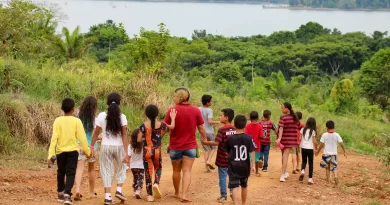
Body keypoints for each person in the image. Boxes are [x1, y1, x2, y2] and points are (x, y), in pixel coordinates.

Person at [164, 87, 208, 203]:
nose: (174, 98)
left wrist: (157, 139)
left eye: (174, 96)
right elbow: (201, 127)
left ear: (180, 97)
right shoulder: (195, 110)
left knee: (176, 171)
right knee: (187, 170)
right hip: (191, 146)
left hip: (175, 146)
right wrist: (205, 138)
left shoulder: (172, 110)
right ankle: (184, 194)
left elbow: (164, 128)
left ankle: (177, 193)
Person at [47, 98, 91, 205]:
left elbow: (54, 139)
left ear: (62, 109)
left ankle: (61, 193)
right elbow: (83, 138)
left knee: (61, 172)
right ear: (73, 109)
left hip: (60, 151)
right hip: (72, 152)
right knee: (71, 172)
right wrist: (88, 151)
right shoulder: (77, 121)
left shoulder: (58, 120)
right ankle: (67, 194)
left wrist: (50, 155)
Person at [90, 92, 130, 205]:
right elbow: (124, 135)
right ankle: (119, 190)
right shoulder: (122, 117)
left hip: (105, 146)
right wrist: (126, 153)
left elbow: (95, 133)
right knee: (122, 167)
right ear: (119, 103)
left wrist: (92, 146)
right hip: (119, 147)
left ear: (107, 102)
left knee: (106, 170)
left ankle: (107, 196)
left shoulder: (102, 116)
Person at [139, 104, 177, 202]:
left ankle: (149, 195)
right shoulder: (162, 124)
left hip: (147, 150)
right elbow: (171, 127)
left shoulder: (143, 126)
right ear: (157, 114)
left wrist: (147, 137)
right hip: (157, 151)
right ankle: (156, 183)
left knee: (148, 172)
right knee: (158, 168)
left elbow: (139, 139)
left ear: (146, 114)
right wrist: (173, 117)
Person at [202, 108, 236, 202]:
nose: (219, 117)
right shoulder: (235, 129)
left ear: (226, 117)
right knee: (232, 176)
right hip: (233, 158)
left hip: (222, 158)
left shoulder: (222, 129)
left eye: (221, 115)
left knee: (222, 177)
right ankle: (232, 191)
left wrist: (206, 142)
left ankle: (224, 195)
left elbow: (217, 142)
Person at [224, 115, 256, 205]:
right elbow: (252, 151)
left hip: (233, 166)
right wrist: (253, 165)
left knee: (234, 186)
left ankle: (235, 203)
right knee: (244, 185)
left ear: (234, 125)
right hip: (245, 166)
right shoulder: (249, 138)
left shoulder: (230, 138)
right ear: (245, 125)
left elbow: (226, 151)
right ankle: (243, 203)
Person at [74, 96, 98, 201]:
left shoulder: (79, 114)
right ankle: (91, 192)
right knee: (91, 169)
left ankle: (78, 189)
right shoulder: (95, 119)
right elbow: (94, 134)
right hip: (91, 146)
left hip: (79, 145)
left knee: (79, 168)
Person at [315, 120, 347, 185]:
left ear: (327, 128)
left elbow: (321, 145)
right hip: (333, 154)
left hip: (326, 154)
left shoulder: (324, 135)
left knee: (327, 168)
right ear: (334, 127)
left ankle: (328, 182)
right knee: (334, 167)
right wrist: (344, 151)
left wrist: (318, 151)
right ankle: (335, 177)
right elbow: (341, 143)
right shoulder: (337, 135)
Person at [276, 102, 300, 182]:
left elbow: (281, 128)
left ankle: (282, 174)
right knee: (284, 156)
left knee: (284, 156)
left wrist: (279, 138)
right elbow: (298, 127)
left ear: (287, 108)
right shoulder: (295, 118)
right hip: (291, 140)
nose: (281, 109)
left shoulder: (283, 118)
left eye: (283, 107)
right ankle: (285, 172)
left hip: (283, 140)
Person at [199, 94, 220, 173]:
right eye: (211, 101)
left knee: (206, 149)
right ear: (207, 103)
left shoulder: (198, 109)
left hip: (201, 131)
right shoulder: (209, 110)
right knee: (214, 147)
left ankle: (206, 168)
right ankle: (209, 160)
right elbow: (210, 121)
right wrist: (219, 121)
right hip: (209, 132)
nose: (212, 102)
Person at [299, 117, 318, 185]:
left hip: (303, 148)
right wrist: (316, 149)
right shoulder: (313, 131)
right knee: (311, 163)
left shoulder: (302, 129)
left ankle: (303, 170)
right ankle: (310, 179)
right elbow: (315, 142)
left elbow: (300, 138)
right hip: (310, 149)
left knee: (304, 161)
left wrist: (300, 145)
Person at [244, 111, 263, 176]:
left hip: (249, 145)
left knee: (248, 159)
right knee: (256, 159)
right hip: (257, 145)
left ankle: (248, 172)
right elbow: (261, 136)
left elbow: (245, 135)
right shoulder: (260, 126)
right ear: (257, 118)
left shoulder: (247, 126)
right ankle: (256, 172)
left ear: (250, 118)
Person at [128, 129, 144, 200]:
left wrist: (127, 165)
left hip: (133, 165)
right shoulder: (143, 145)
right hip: (141, 166)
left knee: (135, 178)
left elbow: (128, 156)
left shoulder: (130, 146)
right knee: (140, 178)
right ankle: (138, 190)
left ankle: (134, 191)